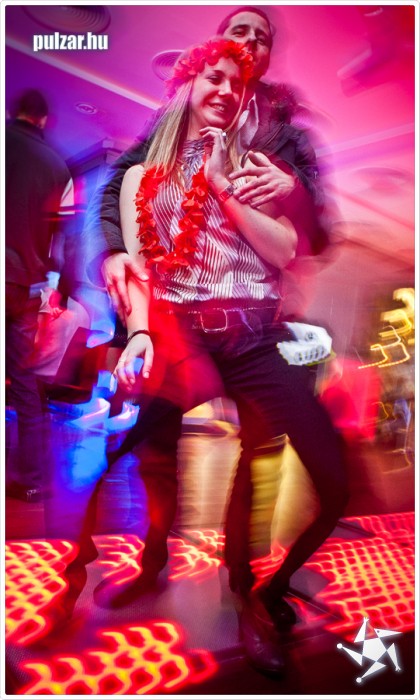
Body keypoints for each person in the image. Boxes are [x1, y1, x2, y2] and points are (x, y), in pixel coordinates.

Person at [92, 36, 348, 676]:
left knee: (332, 483)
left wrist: (222, 186)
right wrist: (141, 332)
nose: (228, 90)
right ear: (186, 84)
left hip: (254, 336)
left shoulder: (258, 166)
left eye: (239, 83)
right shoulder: (142, 176)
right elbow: (142, 266)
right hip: (183, 334)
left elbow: (286, 251)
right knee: (134, 459)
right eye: (214, 77)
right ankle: (142, 567)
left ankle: (255, 593)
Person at [5, 89, 74, 501]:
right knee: (25, 382)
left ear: (14, 112)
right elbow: (61, 243)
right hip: (25, 289)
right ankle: (31, 480)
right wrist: (56, 290)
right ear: (44, 120)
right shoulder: (59, 167)